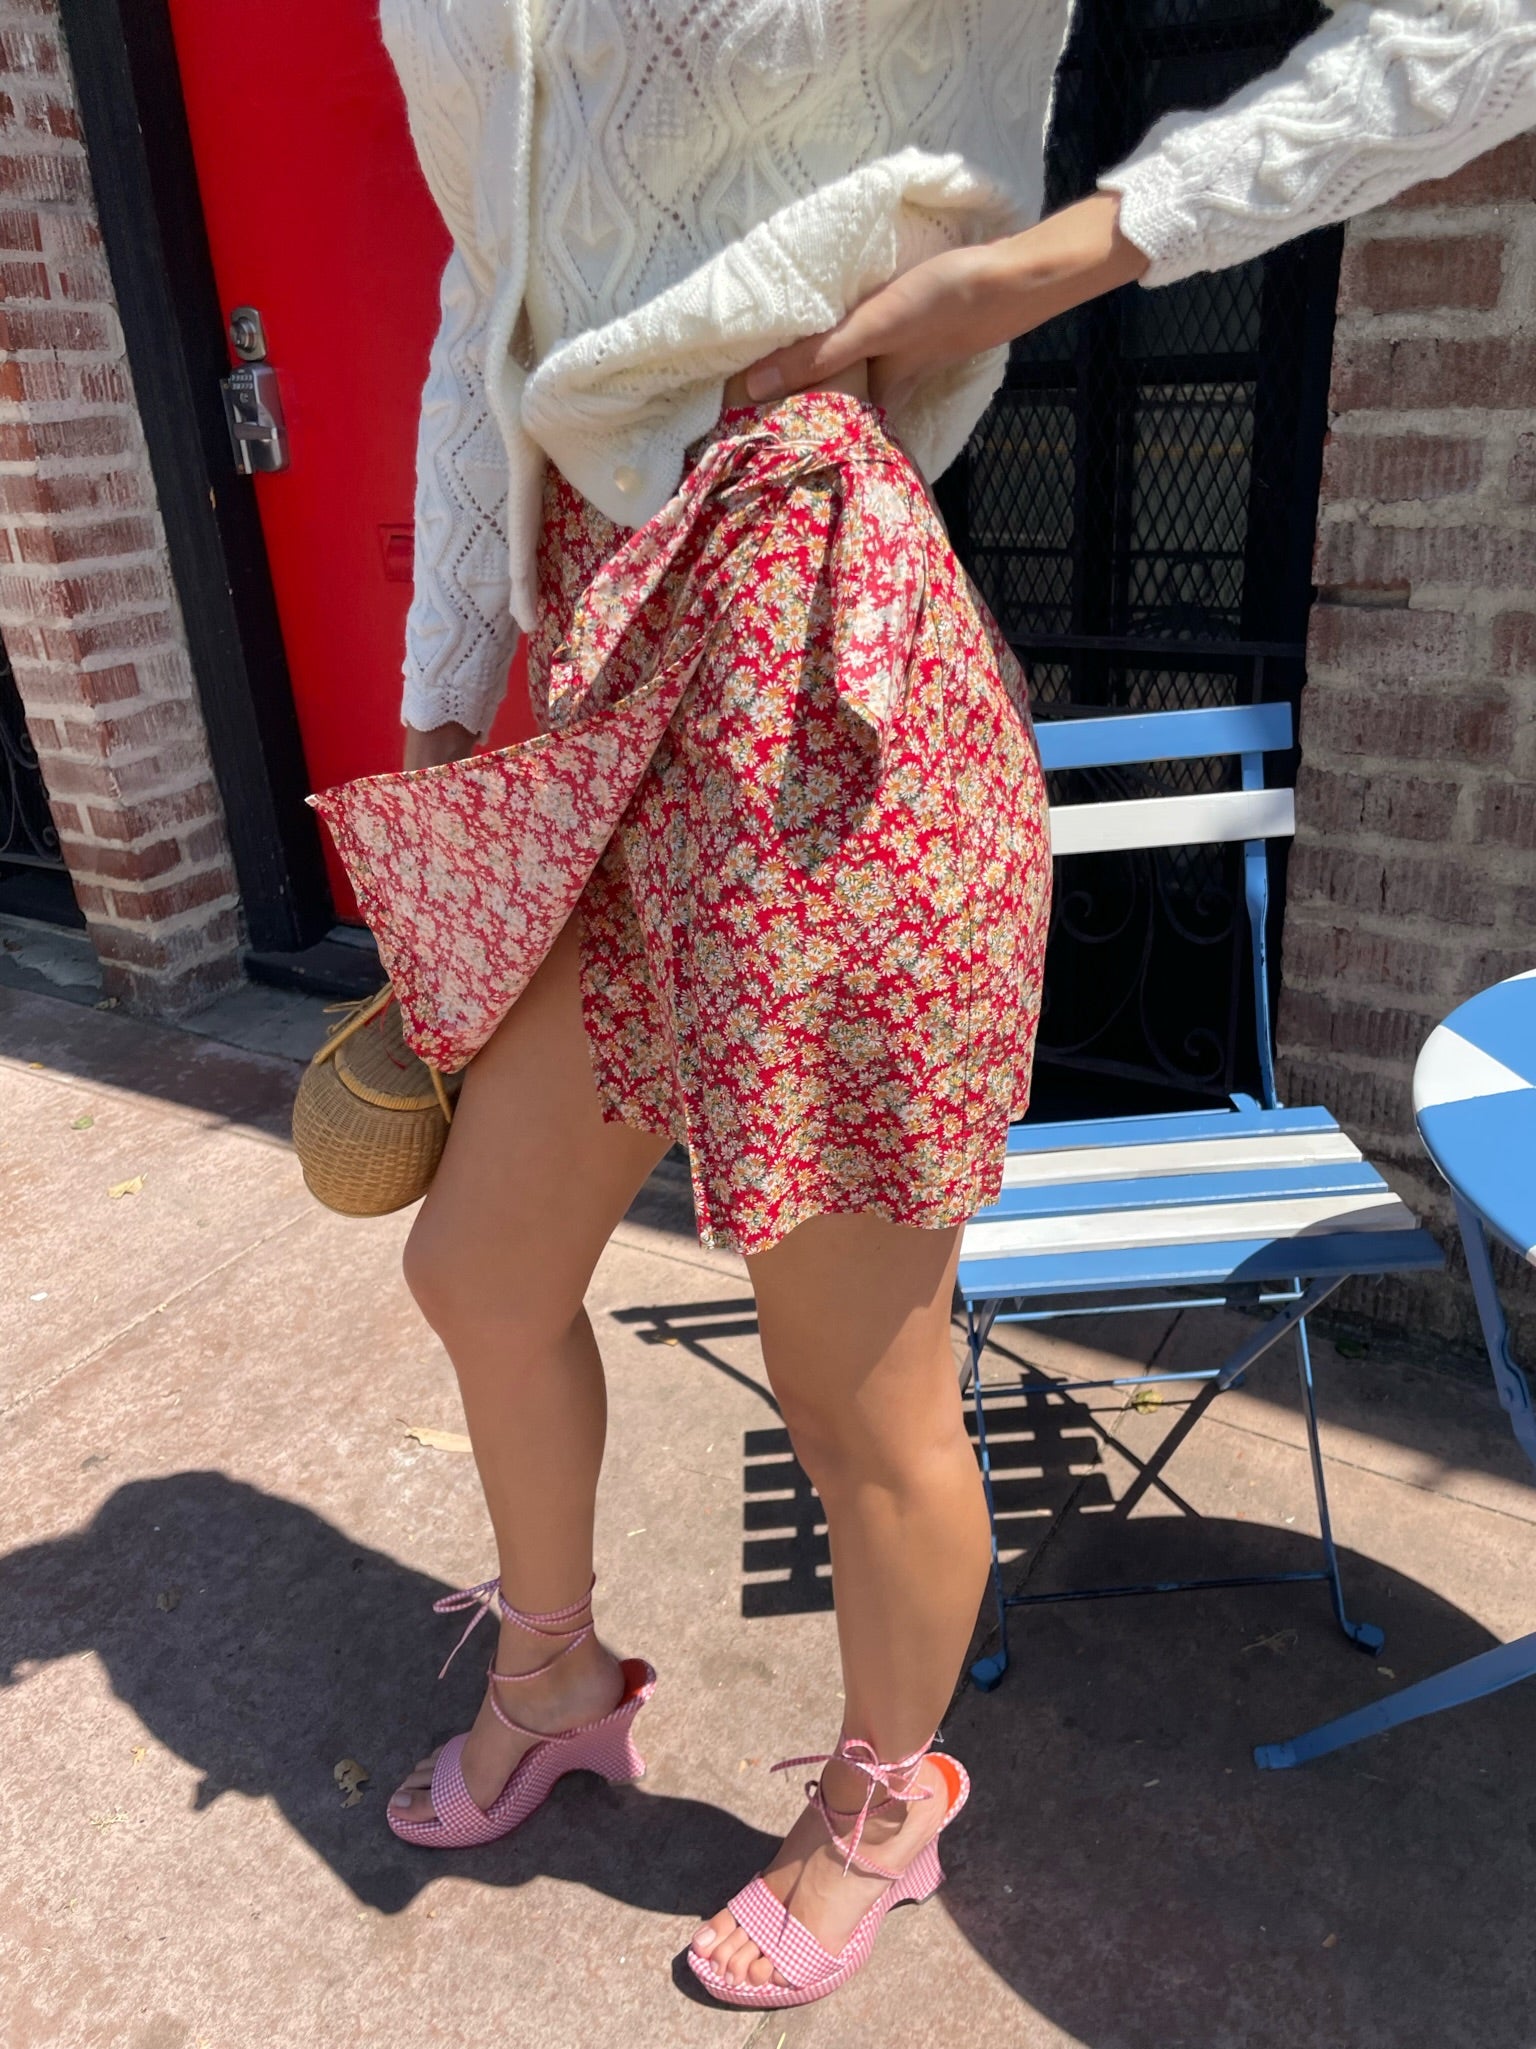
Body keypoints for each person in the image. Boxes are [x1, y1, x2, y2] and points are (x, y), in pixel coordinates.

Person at [348, 0, 1536, 2012]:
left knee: (859, 1380)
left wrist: (1054, 256)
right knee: (478, 1263)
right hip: (608, 698)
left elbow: (1485, 30)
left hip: (829, 689)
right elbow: (501, 270)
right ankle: (553, 1671)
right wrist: (446, 670)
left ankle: (886, 1802)